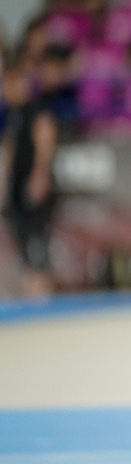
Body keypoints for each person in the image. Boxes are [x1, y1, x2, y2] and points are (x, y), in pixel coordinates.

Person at [1, 64, 58, 296]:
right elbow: (10, 148)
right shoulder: (12, 114)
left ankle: (42, 282)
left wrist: (40, 174)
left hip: (32, 179)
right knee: (19, 229)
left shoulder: (36, 109)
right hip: (17, 181)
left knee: (37, 232)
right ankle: (31, 279)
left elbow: (45, 139)